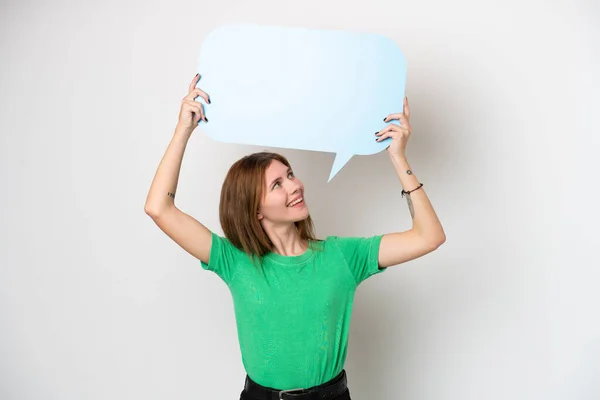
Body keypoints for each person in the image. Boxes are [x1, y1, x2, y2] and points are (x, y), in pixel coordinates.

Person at [144, 73, 446, 400]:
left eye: (290, 175)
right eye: (278, 184)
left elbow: (429, 236)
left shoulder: (342, 256)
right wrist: (183, 130)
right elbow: (159, 207)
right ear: (254, 209)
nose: (295, 185)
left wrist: (399, 158)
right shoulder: (233, 260)